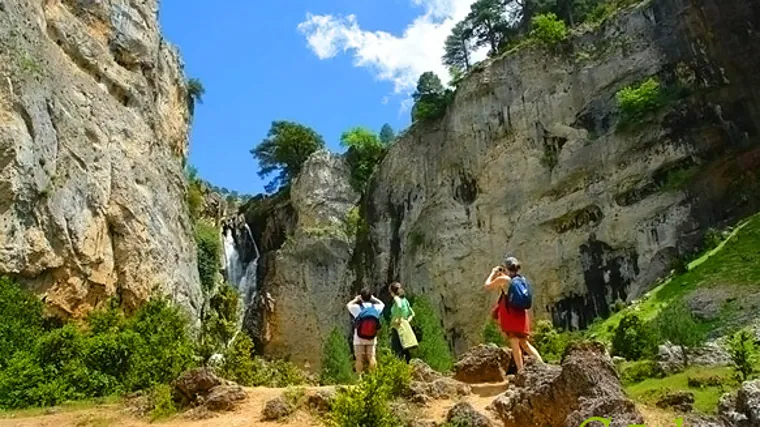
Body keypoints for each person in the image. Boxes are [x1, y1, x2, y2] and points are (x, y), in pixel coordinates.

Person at [484, 256, 543, 372]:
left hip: (510, 314)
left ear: (505, 268)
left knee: (515, 344)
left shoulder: (505, 280)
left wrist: (493, 273)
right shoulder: (521, 279)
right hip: (521, 313)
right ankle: (543, 365)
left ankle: (521, 371)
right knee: (525, 343)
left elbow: (487, 286)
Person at [346, 288, 385, 374]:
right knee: (372, 357)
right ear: (370, 296)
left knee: (359, 358)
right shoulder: (376, 308)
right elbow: (382, 304)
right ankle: (374, 377)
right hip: (371, 336)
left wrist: (356, 299)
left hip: (359, 337)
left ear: (361, 297)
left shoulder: (357, 308)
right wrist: (373, 298)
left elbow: (348, 305)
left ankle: (359, 379)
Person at [389, 282, 417, 362]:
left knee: (397, 349)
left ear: (392, 291)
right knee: (405, 348)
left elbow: (399, 306)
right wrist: (407, 321)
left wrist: (398, 318)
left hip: (397, 326)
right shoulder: (405, 300)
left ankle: (400, 369)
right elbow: (412, 313)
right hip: (405, 325)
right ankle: (409, 367)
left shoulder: (396, 298)